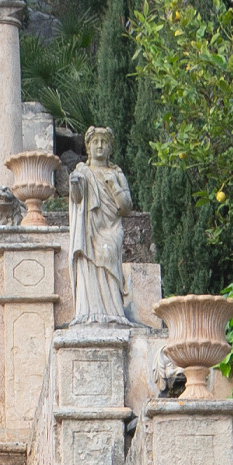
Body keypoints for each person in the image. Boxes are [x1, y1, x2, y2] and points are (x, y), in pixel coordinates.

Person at [66, 129, 140, 330]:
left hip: (110, 227)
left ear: (110, 148)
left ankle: (113, 311)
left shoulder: (116, 173)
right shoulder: (81, 171)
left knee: (108, 255)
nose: (99, 146)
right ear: (88, 147)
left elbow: (126, 207)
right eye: (95, 142)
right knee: (88, 264)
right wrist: (75, 185)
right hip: (89, 227)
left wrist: (114, 185)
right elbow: (77, 199)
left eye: (104, 142)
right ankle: (89, 311)